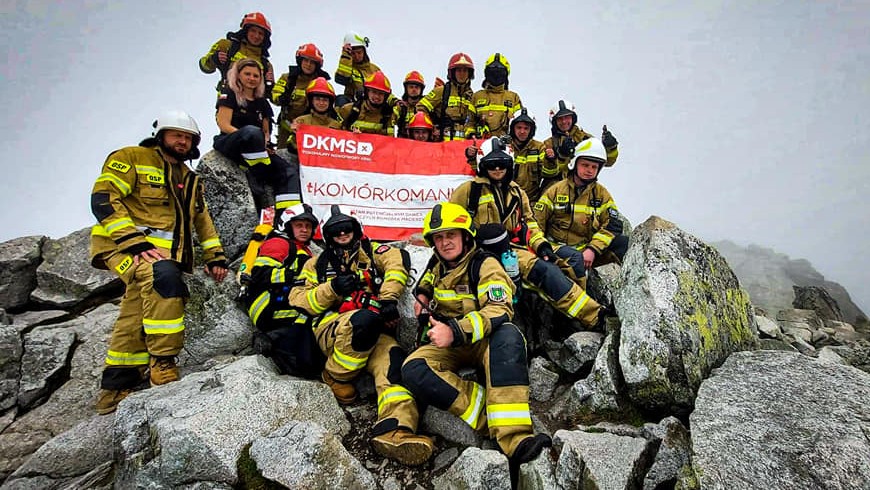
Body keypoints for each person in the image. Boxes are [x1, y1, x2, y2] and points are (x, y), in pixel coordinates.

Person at [90, 111, 228, 415]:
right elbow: (103, 198)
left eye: (188, 138)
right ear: (161, 135)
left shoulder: (190, 179)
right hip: (122, 250)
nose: (182, 141)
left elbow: (202, 220)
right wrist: (134, 241)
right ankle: (163, 362)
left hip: (164, 256)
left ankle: (115, 388)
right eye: (176, 135)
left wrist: (215, 256)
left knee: (136, 307)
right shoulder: (131, 157)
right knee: (163, 281)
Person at [402, 202, 552, 469]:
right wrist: (423, 294)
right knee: (413, 369)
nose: (445, 242)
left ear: (465, 236)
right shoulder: (438, 263)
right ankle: (490, 418)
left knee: (509, 336)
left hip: (484, 339)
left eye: (451, 234)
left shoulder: (485, 264)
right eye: (439, 237)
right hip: (449, 341)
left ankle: (516, 439)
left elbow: (499, 309)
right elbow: (428, 279)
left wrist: (454, 331)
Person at [289, 206, 433, 466]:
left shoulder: (373, 253)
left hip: (374, 330)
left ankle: (395, 430)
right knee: (362, 322)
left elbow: (397, 262)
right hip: (332, 329)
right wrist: (332, 288)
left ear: (356, 230)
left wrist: (388, 298)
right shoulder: (316, 264)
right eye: (336, 231)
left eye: (347, 228)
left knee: (395, 363)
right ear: (328, 236)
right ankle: (335, 376)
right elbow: (298, 300)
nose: (343, 234)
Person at [244, 204, 325, 378]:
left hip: (281, 304)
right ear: (288, 226)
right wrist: (296, 277)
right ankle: (272, 338)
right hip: (267, 306)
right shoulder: (279, 243)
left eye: (308, 226)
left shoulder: (303, 250)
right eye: (299, 225)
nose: (304, 230)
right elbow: (260, 274)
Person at [475, 223, 604, 331]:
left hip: (515, 245)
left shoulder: (518, 198)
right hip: (486, 252)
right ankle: (593, 317)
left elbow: (530, 222)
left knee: (572, 259)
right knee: (546, 271)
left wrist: (541, 245)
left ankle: (576, 317)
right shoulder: (469, 199)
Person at [450, 137, 558, 264]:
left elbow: (530, 223)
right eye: (491, 165)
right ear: (482, 165)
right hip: (480, 255)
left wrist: (541, 245)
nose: (497, 169)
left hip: (514, 252)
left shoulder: (517, 192)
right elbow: (452, 228)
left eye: (502, 164)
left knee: (557, 266)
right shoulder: (468, 191)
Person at [213, 58, 300, 213]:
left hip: (258, 150)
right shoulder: (229, 94)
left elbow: (266, 132)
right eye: (247, 74)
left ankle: (287, 215)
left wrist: (264, 144)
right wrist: (251, 138)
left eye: (256, 75)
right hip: (232, 142)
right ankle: (255, 175)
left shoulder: (262, 102)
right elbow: (223, 124)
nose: (251, 78)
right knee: (252, 132)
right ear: (238, 75)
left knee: (289, 172)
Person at [534, 138, 628, 280]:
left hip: (587, 250)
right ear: (574, 163)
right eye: (585, 165)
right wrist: (542, 249)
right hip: (557, 249)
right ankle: (579, 291)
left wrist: (592, 249)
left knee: (623, 244)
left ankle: (621, 286)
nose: (589, 170)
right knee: (575, 258)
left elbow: (612, 225)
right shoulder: (556, 190)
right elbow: (536, 222)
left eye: (594, 167)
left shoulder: (602, 194)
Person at [541, 99, 619, 188]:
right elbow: (546, 173)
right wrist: (561, 155)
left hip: (583, 188)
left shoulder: (586, 139)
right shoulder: (549, 144)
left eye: (567, 117)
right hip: (556, 189)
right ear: (554, 121)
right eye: (560, 119)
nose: (564, 121)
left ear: (573, 118)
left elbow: (608, 162)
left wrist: (610, 148)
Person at [272, 43, 332, 149]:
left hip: (311, 129)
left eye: (312, 62)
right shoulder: (287, 78)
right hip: (287, 127)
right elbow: (274, 95)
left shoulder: (321, 82)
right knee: (283, 155)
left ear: (317, 65)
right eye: (306, 60)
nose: (308, 64)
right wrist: (281, 98)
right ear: (300, 61)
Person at [199, 12, 275, 95]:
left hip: (253, 101)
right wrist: (213, 59)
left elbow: (271, 94)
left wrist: (270, 85)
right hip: (228, 97)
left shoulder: (266, 64)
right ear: (246, 31)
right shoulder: (226, 45)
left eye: (261, 33)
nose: (256, 36)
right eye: (253, 31)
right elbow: (205, 67)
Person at [417, 53, 476, 141]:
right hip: (442, 142)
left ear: (469, 73)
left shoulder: (472, 96)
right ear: (452, 72)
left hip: (464, 144)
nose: (462, 74)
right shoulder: (442, 91)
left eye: (465, 70)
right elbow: (421, 107)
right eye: (459, 70)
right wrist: (432, 126)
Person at [470, 53, 523, 139]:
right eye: (492, 72)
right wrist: (471, 134)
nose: (496, 75)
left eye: (499, 72)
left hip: (505, 145)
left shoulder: (513, 98)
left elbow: (521, 124)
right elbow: (469, 122)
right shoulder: (477, 97)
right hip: (480, 144)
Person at [286, 77, 342, 152]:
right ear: (311, 101)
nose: (321, 103)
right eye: (317, 99)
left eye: (325, 100)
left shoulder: (337, 125)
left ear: (330, 103)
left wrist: (356, 136)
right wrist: (294, 135)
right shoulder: (301, 121)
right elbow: (291, 147)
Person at [338, 71, 396, 135]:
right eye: (374, 92)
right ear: (367, 92)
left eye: (381, 93)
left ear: (386, 96)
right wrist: (351, 135)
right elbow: (334, 134)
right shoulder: (348, 110)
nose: (377, 96)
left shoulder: (389, 116)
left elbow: (389, 139)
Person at [508, 108, 547, 202]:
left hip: (532, 201)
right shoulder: (505, 146)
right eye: (519, 127)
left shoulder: (539, 148)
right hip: (507, 200)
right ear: (512, 128)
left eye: (526, 128)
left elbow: (548, 173)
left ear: (531, 130)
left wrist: (551, 160)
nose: (522, 131)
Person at [334, 32, 381, 106]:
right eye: (353, 53)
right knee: (341, 99)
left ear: (364, 52)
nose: (356, 56)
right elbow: (341, 79)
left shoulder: (375, 69)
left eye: (359, 52)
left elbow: (384, 89)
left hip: (372, 104)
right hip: (353, 105)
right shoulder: (347, 67)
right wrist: (346, 56)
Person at [394, 71, 426, 138]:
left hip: (421, 142)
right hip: (403, 142)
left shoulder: (426, 107)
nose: (414, 89)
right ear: (406, 89)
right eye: (411, 87)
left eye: (417, 87)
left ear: (421, 90)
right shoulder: (400, 107)